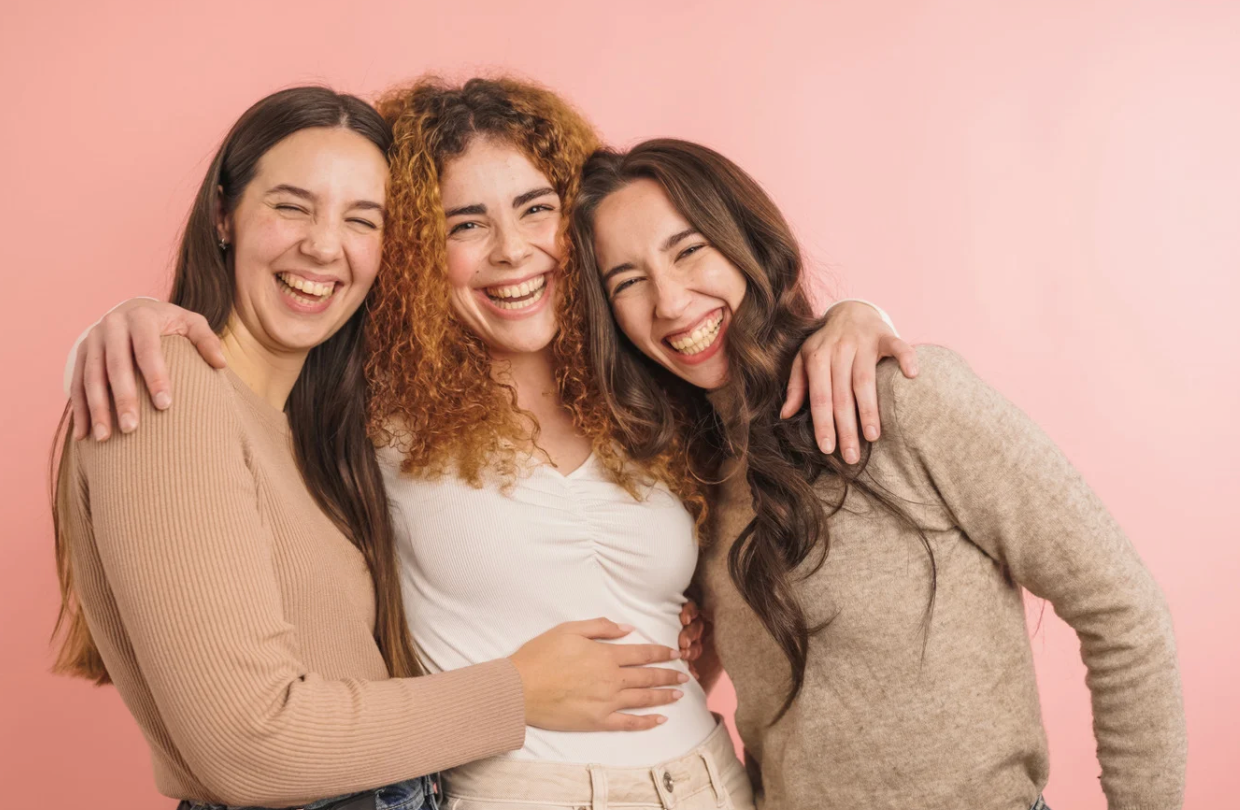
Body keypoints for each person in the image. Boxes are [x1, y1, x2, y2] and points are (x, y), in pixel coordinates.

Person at [60, 77, 911, 810]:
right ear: (417, 252)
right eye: (465, 224)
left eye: (536, 208)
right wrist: (122, 327)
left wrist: (854, 318)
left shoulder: (646, 380)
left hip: (710, 780)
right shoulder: (365, 402)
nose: (511, 251)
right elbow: (231, 393)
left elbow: (752, 385)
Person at [571, 138, 1187, 810]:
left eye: (688, 250)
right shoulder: (693, 483)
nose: (668, 300)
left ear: (745, 241)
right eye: (627, 281)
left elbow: (1124, 610)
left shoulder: (903, 399)